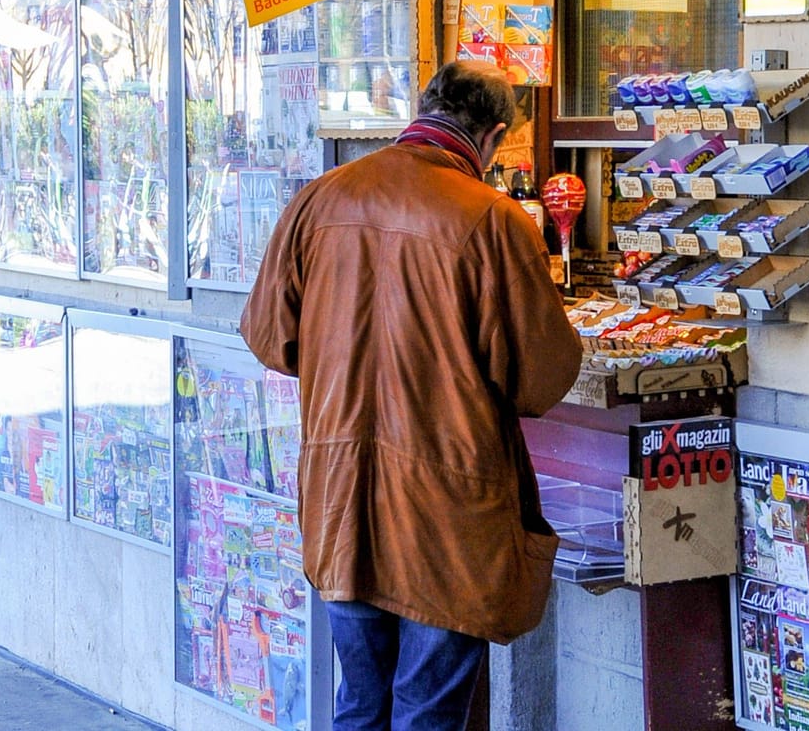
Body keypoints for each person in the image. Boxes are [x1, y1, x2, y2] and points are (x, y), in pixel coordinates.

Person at [241, 60, 583, 731]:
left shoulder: (322, 197)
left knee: (361, 702)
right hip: (446, 510)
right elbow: (540, 378)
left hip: (342, 497)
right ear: (490, 136)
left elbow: (270, 338)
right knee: (428, 711)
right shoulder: (491, 218)